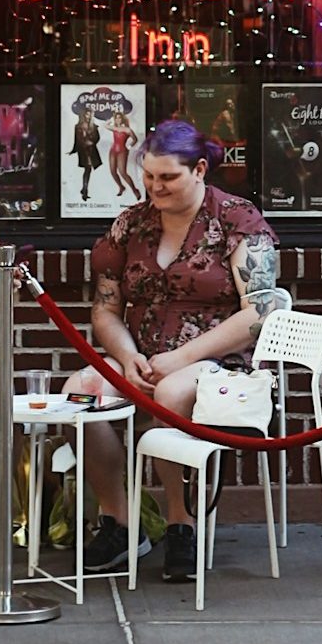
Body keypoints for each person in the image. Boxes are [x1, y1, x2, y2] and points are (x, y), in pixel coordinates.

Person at [67, 118, 282, 583]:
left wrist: (181, 358)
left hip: (217, 361)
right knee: (81, 393)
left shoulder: (236, 219)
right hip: (140, 355)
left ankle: (182, 524)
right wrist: (127, 356)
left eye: (167, 177)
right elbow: (105, 309)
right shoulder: (130, 224)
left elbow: (261, 312)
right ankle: (119, 521)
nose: (155, 186)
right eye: (148, 175)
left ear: (199, 169)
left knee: (171, 393)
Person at [70, 103, 104, 204]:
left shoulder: (93, 126)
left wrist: (92, 142)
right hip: (83, 150)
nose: (87, 116)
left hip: (91, 150)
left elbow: (97, 138)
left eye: (89, 114)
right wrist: (74, 149)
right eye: (86, 114)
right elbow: (76, 139)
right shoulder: (78, 126)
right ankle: (85, 190)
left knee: (88, 169)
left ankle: (84, 189)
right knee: (88, 168)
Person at [108, 109, 142, 202]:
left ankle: (135, 190)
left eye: (119, 118)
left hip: (122, 151)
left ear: (122, 119)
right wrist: (111, 119)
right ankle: (121, 187)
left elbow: (135, 139)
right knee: (112, 171)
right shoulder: (114, 128)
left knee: (122, 172)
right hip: (113, 151)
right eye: (116, 118)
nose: (118, 119)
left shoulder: (127, 129)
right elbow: (105, 125)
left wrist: (129, 146)